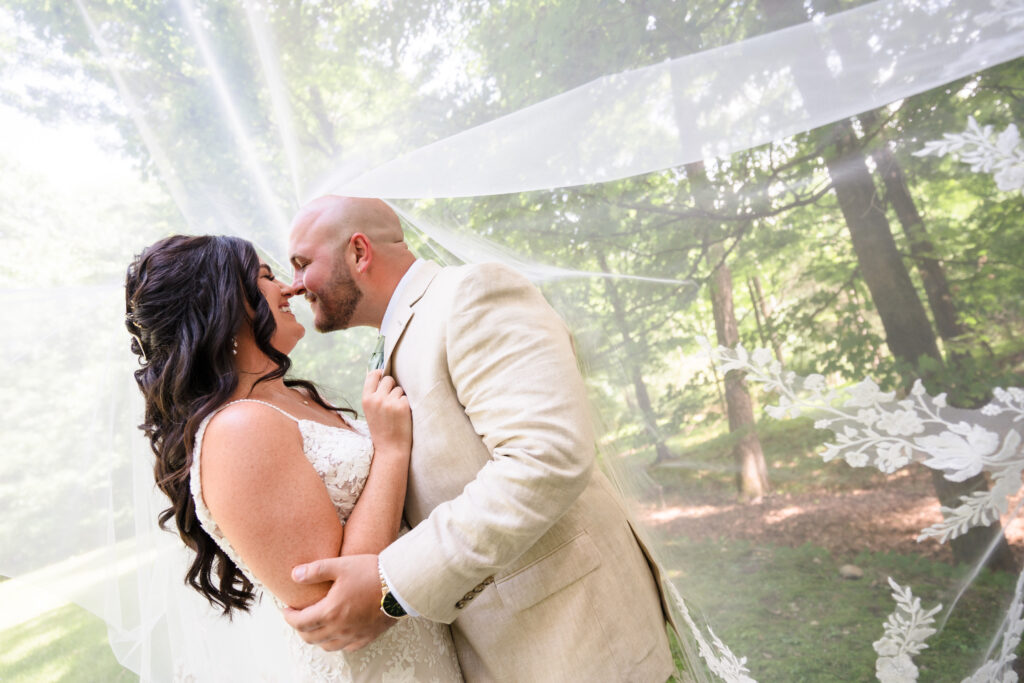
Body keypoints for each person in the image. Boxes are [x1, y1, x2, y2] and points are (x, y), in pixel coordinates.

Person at [282, 196, 676, 681]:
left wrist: (393, 582)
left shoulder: (471, 294)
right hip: (503, 650)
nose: (294, 284)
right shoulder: (395, 339)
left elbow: (545, 458)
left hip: (577, 642)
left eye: (302, 264)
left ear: (359, 253)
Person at [124, 234, 463, 682]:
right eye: (266, 277)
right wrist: (391, 449)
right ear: (225, 303)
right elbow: (336, 596)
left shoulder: (295, 397)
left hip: (426, 644)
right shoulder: (239, 429)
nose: (289, 288)